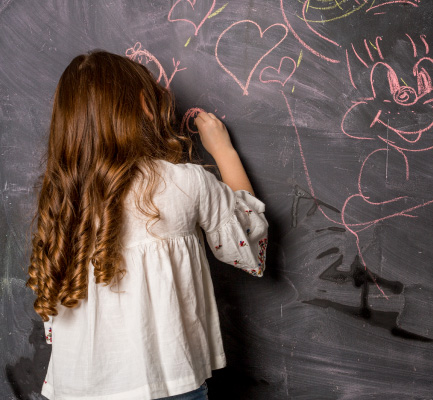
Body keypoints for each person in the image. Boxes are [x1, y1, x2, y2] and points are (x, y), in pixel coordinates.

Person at [25, 50, 268, 399]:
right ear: (144, 105)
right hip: (167, 383)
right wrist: (224, 152)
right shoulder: (184, 182)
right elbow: (246, 238)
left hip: (73, 386)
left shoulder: (62, 199)